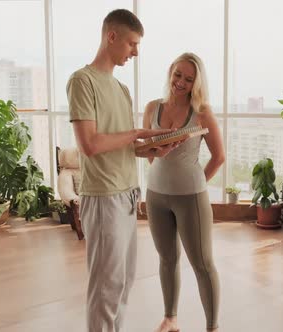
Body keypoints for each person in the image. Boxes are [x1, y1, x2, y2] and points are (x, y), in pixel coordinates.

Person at [67, 9, 177, 332]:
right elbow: (90, 144)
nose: (136, 52)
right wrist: (137, 134)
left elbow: (124, 146)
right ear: (111, 37)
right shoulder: (82, 81)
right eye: (132, 43)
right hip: (103, 198)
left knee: (124, 284)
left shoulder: (122, 90)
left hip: (128, 195)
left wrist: (154, 148)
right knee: (106, 287)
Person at [143, 52, 225, 332]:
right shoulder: (152, 107)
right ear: (171, 72)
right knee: (167, 259)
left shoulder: (202, 112)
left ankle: (212, 327)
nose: (181, 82)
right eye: (178, 74)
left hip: (191, 198)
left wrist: (196, 183)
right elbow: (148, 150)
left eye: (189, 79)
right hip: (155, 195)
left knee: (202, 264)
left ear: (196, 83)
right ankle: (170, 318)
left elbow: (219, 157)